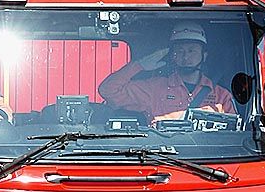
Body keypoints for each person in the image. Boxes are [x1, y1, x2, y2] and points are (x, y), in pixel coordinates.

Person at [99, 22, 235, 121]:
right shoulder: (154, 88)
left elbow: (233, 132)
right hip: (161, 151)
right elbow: (108, 90)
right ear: (172, 56)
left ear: (204, 55)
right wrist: (139, 66)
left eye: (191, 50)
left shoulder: (221, 96)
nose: (185, 57)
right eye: (180, 51)